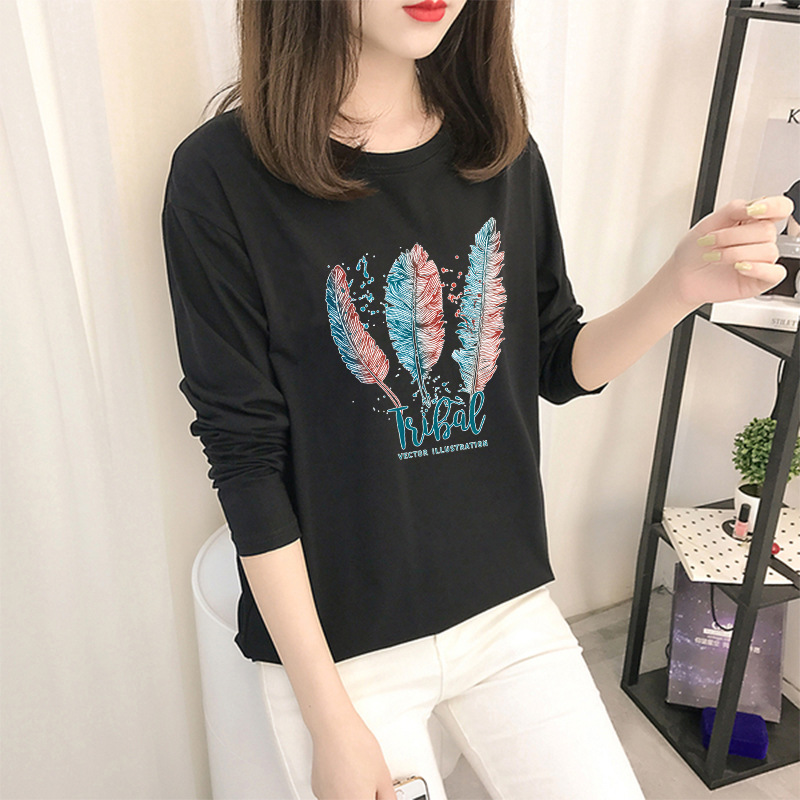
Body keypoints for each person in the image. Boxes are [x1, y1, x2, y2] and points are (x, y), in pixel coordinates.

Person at [160, 2, 792, 798]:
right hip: (343, 647)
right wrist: (331, 721)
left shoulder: (499, 152)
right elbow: (246, 459)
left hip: (504, 610)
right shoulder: (220, 175)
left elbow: (556, 361)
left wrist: (679, 286)